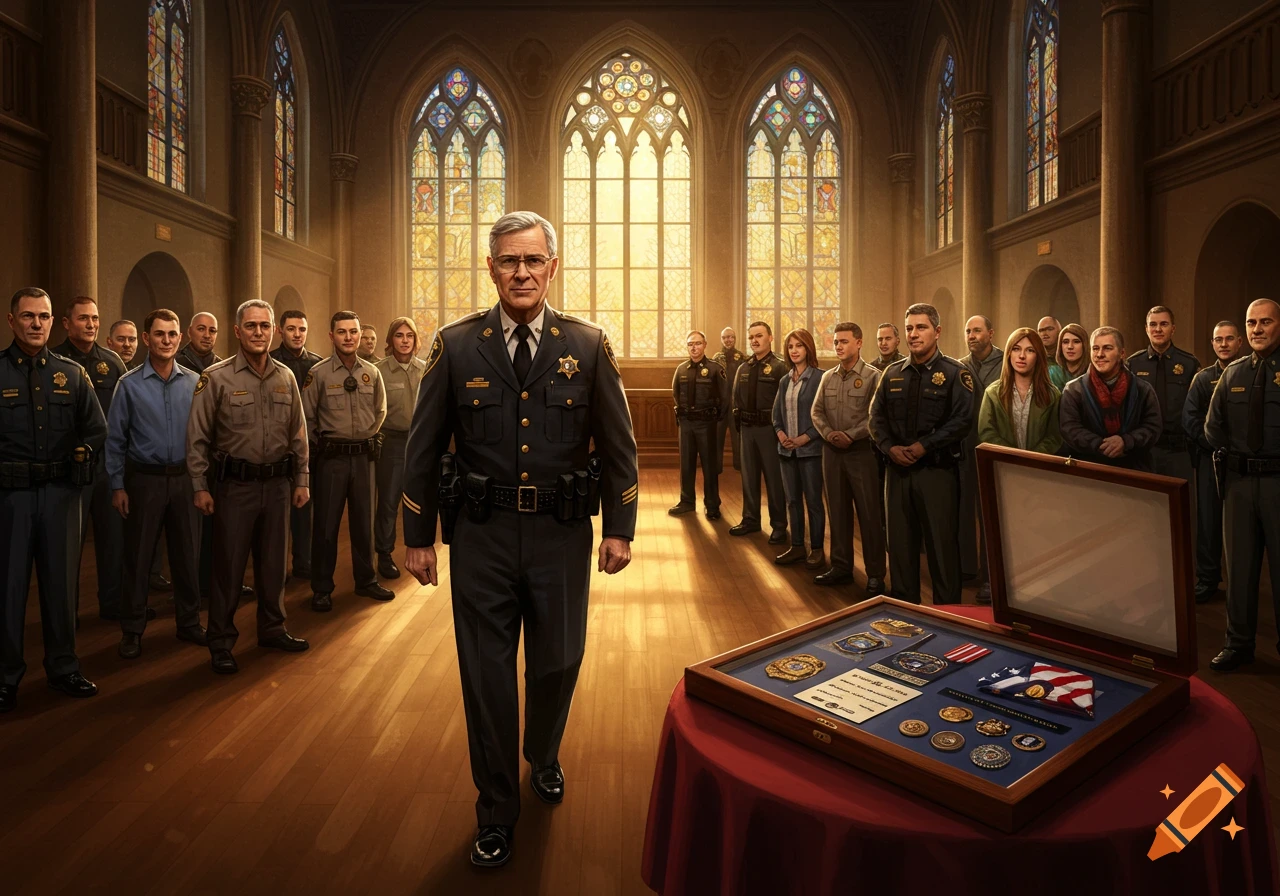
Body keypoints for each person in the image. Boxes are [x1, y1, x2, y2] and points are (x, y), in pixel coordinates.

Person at [401, 211, 638, 867]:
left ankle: (544, 751)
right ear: (491, 268)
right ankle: (496, 809)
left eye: (533, 260)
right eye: (509, 260)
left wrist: (619, 526)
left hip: (562, 534)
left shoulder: (587, 345)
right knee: (486, 677)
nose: (522, 272)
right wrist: (417, 534)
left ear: (552, 268)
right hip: (481, 536)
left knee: (559, 662)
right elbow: (422, 449)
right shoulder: (456, 344)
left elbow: (620, 447)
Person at [186, 300, 311, 675]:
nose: (259, 332)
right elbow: (197, 438)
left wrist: (302, 479)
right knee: (228, 568)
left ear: (273, 331)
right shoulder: (216, 377)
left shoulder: (286, 377)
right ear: (238, 331)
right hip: (234, 488)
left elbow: (299, 434)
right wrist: (199, 485)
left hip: (276, 486)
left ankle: (273, 628)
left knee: (275, 567)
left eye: (265, 326)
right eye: (251, 326)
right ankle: (221, 642)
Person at [1, 287, 105, 713]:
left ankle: (64, 667)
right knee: (7, 590)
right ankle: (6, 677)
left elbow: (96, 430)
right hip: (11, 498)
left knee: (62, 587)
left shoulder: (72, 374)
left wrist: (85, 457)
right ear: (12, 321)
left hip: (61, 496)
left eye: (43, 316)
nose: (37, 324)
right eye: (28, 316)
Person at [105, 308, 206, 658]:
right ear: (147, 339)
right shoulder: (128, 384)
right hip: (143, 481)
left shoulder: (195, 383)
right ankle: (132, 629)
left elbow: (204, 438)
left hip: (184, 480)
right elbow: (115, 439)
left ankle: (189, 623)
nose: (166, 340)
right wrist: (117, 485)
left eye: (172, 334)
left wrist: (201, 483)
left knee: (186, 554)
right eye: (159, 334)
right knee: (138, 557)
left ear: (180, 338)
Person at [869, 303, 972, 605]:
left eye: (921, 327)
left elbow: (962, 421)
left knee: (942, 549)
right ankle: (904, 617)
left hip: (937, 474)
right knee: (899, 550)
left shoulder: (955, 374)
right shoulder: (891, 374)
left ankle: (948, 616)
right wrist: (889, 447)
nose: (914, 334)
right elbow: (875, 418)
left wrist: (924, 445)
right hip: (897, 473)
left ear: (937, 331)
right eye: (910, 328)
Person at [1205, 299, 1280, 672]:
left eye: (1265, 322)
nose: (1257, 329)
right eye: (1252, 322)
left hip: (1279, 483)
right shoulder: (1233, 373)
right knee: (1239, 569)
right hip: (1239, 484)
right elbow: (1212, 426)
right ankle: (1238, 645)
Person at [301, 311, 391, 611]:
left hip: (365, 458)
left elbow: (380, 411)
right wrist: (324, 446)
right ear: (331, 337)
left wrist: (366, 437)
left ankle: (366, 581)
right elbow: (307, 416)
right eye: (342, 332)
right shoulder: (319, 373)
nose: (349, 337)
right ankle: (322, 588)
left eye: (353, 331)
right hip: (332, 459)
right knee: (325, 525)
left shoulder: (372, 373)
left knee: (364, 523)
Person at [53, 296, 127, 622]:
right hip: (70, 468)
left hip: (108, 467)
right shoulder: (54, 361)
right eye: (84, 319)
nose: (91, 325)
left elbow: (127, 413)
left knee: (113, 541)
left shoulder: (112, 362)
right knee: (69, 547)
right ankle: (67, 612)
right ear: (66, 323)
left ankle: (112, 605)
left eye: (95, 319)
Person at [810, 321, 885, 593]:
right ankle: (841, 567)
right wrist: (829, 434)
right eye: (836, 342)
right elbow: (816, 412)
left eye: (844, 341)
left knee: (869, 514)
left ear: (859, 342)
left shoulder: (873, 376)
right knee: (837, 512)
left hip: (860, 453)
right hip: (832, 453)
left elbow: (875, 416)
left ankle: (875, 574)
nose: (838, 346)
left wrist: (851, 435)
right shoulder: (827, 377)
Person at [1183, 320, 1243, 603]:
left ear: (1239, 342)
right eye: (1218, 339)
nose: (1223, 344)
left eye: (1229, 339)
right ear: (1212, 343)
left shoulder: (1249, 374)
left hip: (1244, 462)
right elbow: (1190, 419)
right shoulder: (1202, 378)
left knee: (1243, 526)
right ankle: (1208, 579)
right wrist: (1213, 445)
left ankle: (1241, 584)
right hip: (1211, 459)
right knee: (1208, 522)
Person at [1058, 327, 1162, 470]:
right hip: (1088, 470)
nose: (1100, 354)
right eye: (1095, 348)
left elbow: (1153, 427)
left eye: (1107, 348)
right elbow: (1069, 428)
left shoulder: (1143, 389)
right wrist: (1101, 445)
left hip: (1135, 469)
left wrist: (1125, 442)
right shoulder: (1074, 390)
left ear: (1122, 353)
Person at [270, 310, 323, 579]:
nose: (297, 334)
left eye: (301, 329)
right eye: (291, 329)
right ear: (280, 331)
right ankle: (276, 568)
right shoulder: (269, 362)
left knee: (305, 510)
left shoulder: (317, 365)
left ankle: (303, 563)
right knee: (277, 515)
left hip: (309, 448)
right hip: (278, 448)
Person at [373, 317, 426, 577]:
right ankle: (384, 554)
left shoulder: (427, 369)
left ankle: (419, 549)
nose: (405, 341)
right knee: (389, 502)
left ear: (416, 341)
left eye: (410, 336)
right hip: (391, 443)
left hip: (420, 443)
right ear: (390, 340)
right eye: (399, 335)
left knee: (419, 500)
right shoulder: (378, 371)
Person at [1126, 305, 1200, 482]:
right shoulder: (1133, 364)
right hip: (1143, 450)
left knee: (1181, 507)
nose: (1158, 329)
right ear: (1146, 329)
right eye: (1153, 325)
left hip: (1178, 451)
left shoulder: (1189, 364)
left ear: (1173, 329)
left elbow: (1198, 407)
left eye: (1164, 324)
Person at [771, 328, 825, 568]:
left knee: (813, 501)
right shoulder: (784, 381)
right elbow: (776, 416)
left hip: (810, 452)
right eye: (791, 346)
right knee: (792, 501)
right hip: (787, 451)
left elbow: (824, 417)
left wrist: (806, 437)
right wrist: (781, 435)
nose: (794, 350)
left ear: (808, 348)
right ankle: (796, 547)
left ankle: (817, 549)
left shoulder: (820, 378)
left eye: (799, 346)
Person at [730, 321, 788, 542]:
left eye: (759, 336)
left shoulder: (780, 367)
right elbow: (736, 397)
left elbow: (785, 403)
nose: (754, 340)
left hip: (769, 430)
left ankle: (779, 526)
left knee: (774, 479)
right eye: (751, 336)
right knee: (749, 477)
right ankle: (750, 519)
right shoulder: (744, 367)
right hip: (747, 429)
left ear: (770, 338)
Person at [959, 315, 1003, 601]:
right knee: (966, 510)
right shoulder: (960, 366)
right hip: (965, 447)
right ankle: (967, 569)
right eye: (968, 331)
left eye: (977, 330)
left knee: (991, 514)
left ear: (991, 332)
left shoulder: (1006, 361)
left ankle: (992, 578)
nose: (972, 335)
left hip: (997, 446)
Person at [670, 330, 729, 519]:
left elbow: (725, 397)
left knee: (709, 466)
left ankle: (712, 505)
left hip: (706, 424)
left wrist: (715, 419)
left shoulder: (714, 368)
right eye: (690, 344)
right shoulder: (681, 369)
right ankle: (687, 501)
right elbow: (676, 393)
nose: (693, 347)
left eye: (697, 343)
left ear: (705, 345)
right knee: (686, 464)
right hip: (686, 423)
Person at [978, 328, 1063, 454]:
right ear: (1009, 353)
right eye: (1016, 349)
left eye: (1030, 350)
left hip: (1039, 467)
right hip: (1002, 465)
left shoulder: (1052, 395)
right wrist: (1013, 456)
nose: (1022, 356)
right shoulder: (992, 393)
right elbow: (987, 433)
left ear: (1038, 356)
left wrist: (1031, 459)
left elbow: (1054, 437)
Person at [711, 326, 745, 472]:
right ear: (721, 339)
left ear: (735, 338)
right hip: (721, 404)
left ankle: (739, 465)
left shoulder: (742, 358)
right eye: (725, 337)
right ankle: (716, 467)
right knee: (717, 437)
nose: (728, 340)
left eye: (730, 337)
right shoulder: (716, 358)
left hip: (736, 404)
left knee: (737, 437)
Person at [1048, 322, 1090, 390]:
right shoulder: (1052, 373)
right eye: (1065, 342)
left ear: (1084, 345)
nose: (1070, 347)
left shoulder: (1092, 374)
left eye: (1076, 342)